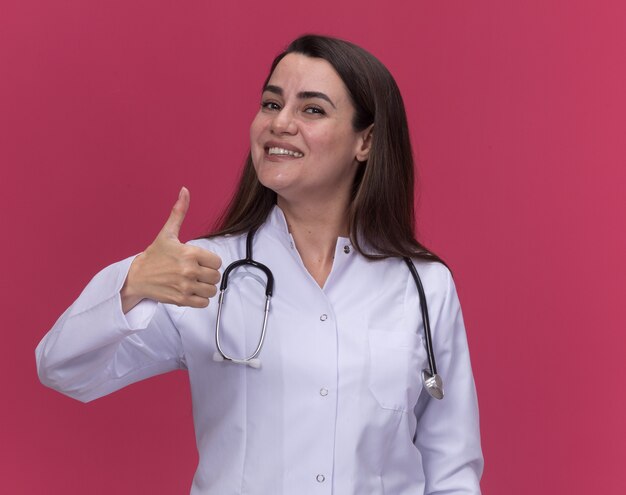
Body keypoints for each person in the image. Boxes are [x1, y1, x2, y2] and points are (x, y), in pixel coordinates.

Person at [36, 34, 483, 494]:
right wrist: (133, 283)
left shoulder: (424, 286)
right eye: (271, 104)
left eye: (312, 109)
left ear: (365, 141)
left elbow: (451, 470)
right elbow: (63, 368)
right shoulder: (205, 271)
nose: (280, 123)